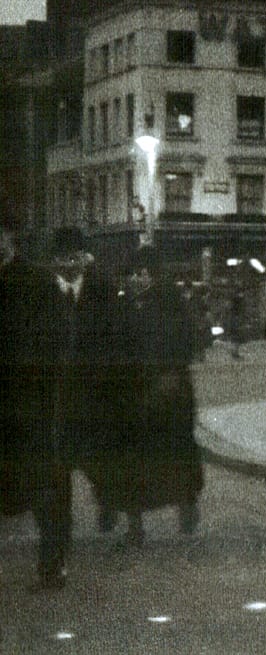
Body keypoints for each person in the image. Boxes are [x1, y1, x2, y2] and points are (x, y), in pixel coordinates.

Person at [0, 205, 74, 591]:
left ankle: (52, 565)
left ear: (9, 237)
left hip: (31, 405)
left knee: (45, 488)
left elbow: (61, 341)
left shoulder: (36, 283)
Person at [115, 245, 204, 544]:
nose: (137, 280)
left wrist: (170, 373)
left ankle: (186, 503)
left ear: (154, 274)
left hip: (169, 392)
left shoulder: (170, 301)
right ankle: (135, 527)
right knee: (133, 462)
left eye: (142, 274)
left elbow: (186, 340)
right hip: (137, 395)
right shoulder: (127, 305)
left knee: (175, 454)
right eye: (133, 275)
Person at [46, 227, 126, 536]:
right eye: (63, 259)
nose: (69, 265)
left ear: (85, 259)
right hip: (59, 391)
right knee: (60, 462)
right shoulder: (47, 292)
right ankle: (60, 523)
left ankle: (106, 501)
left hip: (95, 389)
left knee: (97, 457)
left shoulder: (102, 289)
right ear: (55, 261)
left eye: (74, 258)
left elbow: (115, 337)